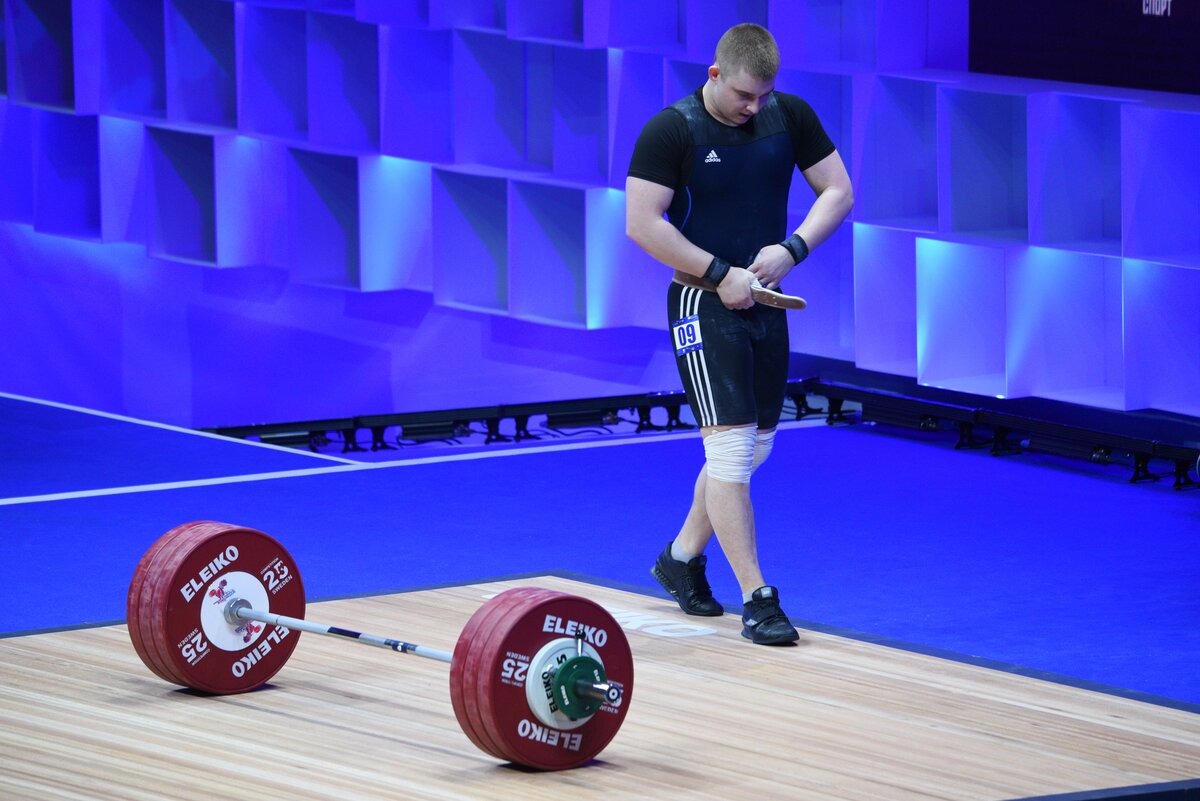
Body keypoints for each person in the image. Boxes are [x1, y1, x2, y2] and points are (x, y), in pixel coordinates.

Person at [625, 23, 853, 644]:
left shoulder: (789, 115)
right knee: (729, 452)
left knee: (754, 451)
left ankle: (679, 559)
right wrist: (718, 273)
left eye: (764, 96)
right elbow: (642, 224)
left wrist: (793, 247)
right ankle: (759, 596)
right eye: (744, 96)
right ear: (715, 75)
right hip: (702, 303)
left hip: (766, 301)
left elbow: (838, 190)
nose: (754, 107)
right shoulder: (671, 130)